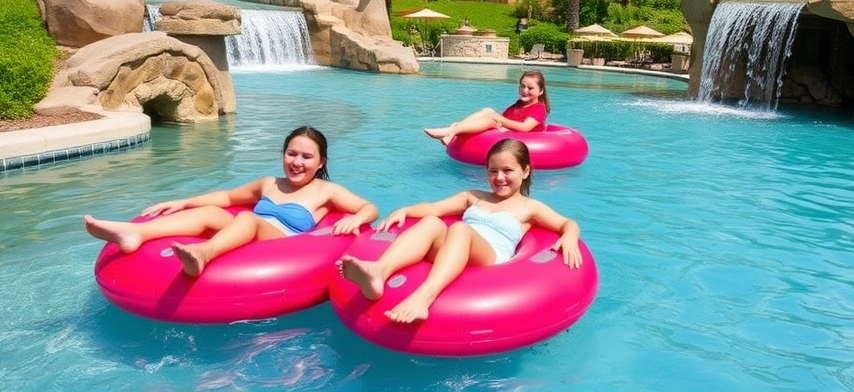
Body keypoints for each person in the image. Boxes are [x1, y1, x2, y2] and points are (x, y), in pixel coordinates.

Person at [339, 138, 582, 323]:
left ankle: (425, 296)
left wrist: (570, 237)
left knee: (459, 229)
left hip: (488, 258)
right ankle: (378, 271)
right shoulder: (473, 196)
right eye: (492, 170)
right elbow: (434, 207)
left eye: (508, 170)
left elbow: (567, 224)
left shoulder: (530, 208)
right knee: (433, 222)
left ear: (525, 170)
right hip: (454, 251)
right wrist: (405, 210)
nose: (499, 177)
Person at [84, 126, 379, 277]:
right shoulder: (269, 183)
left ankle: (203, 253)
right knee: (212, 212)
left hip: (281, 243)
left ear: (320, 161)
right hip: (247, 231)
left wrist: (356, 218)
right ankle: (135, 233)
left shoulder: (326, 191)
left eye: (306, 156)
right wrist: (184, 201)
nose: (297, 162)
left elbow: (370, 208)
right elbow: (227, 197)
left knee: (249, 218)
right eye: (291, 153)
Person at [424, 70, 550, 146]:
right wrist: (496, 120)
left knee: (493, 118)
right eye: (522, 86)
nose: (524, 90)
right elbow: (504, 119)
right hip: (508, 134)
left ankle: (450, 132)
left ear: (540, 91)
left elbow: (524, 128)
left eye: (530, 88)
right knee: (488, 110)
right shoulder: (518, 104)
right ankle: (453, 130)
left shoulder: (539, 108)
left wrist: (497, 120)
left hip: (526, 141)